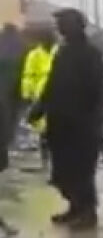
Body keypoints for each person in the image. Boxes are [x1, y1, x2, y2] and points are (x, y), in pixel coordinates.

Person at [29, 9, 103, 230]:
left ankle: (87, 212)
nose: (60, 28)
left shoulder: (91, 55)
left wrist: (93, 117)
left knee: (82, 171)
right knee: (63, 171)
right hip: (60, 123)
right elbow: (51, 85)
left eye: (64, 23)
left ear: (77, 25)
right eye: (59, 23)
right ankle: (74, 207)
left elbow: (100, 90)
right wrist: (39, 108)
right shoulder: (62, 53)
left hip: (82, 125)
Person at [20, 24, 58, 165]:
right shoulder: (34, 55)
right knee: (43, 129)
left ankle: (56, 159)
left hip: (57, 93)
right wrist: (27, 93)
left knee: (57, 128)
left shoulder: (59, 52)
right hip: (40, 93)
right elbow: (28, 75)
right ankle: (45, 159)